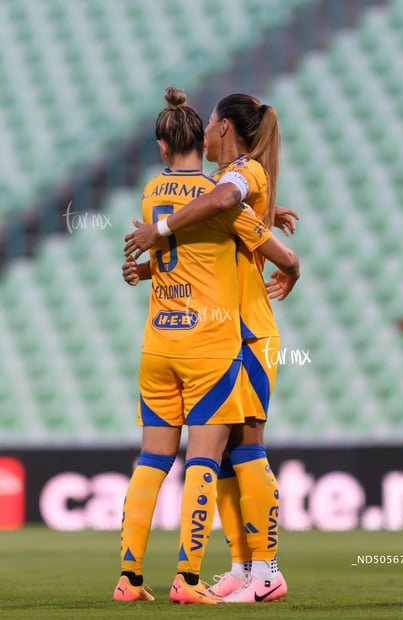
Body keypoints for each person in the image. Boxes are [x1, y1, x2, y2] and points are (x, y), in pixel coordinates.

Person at [113, 87, 300, 605]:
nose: (211, 129)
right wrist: (153, 261)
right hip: (224, 332)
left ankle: (267, 570)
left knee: (248, 448)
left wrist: (292, 263)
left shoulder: (239, 177)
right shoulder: (222, 184)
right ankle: (242, 566)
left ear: (223, 128)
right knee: (224, 454)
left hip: (248, 332)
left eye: (216, 120)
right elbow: (216, 226)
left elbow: (227, 207)